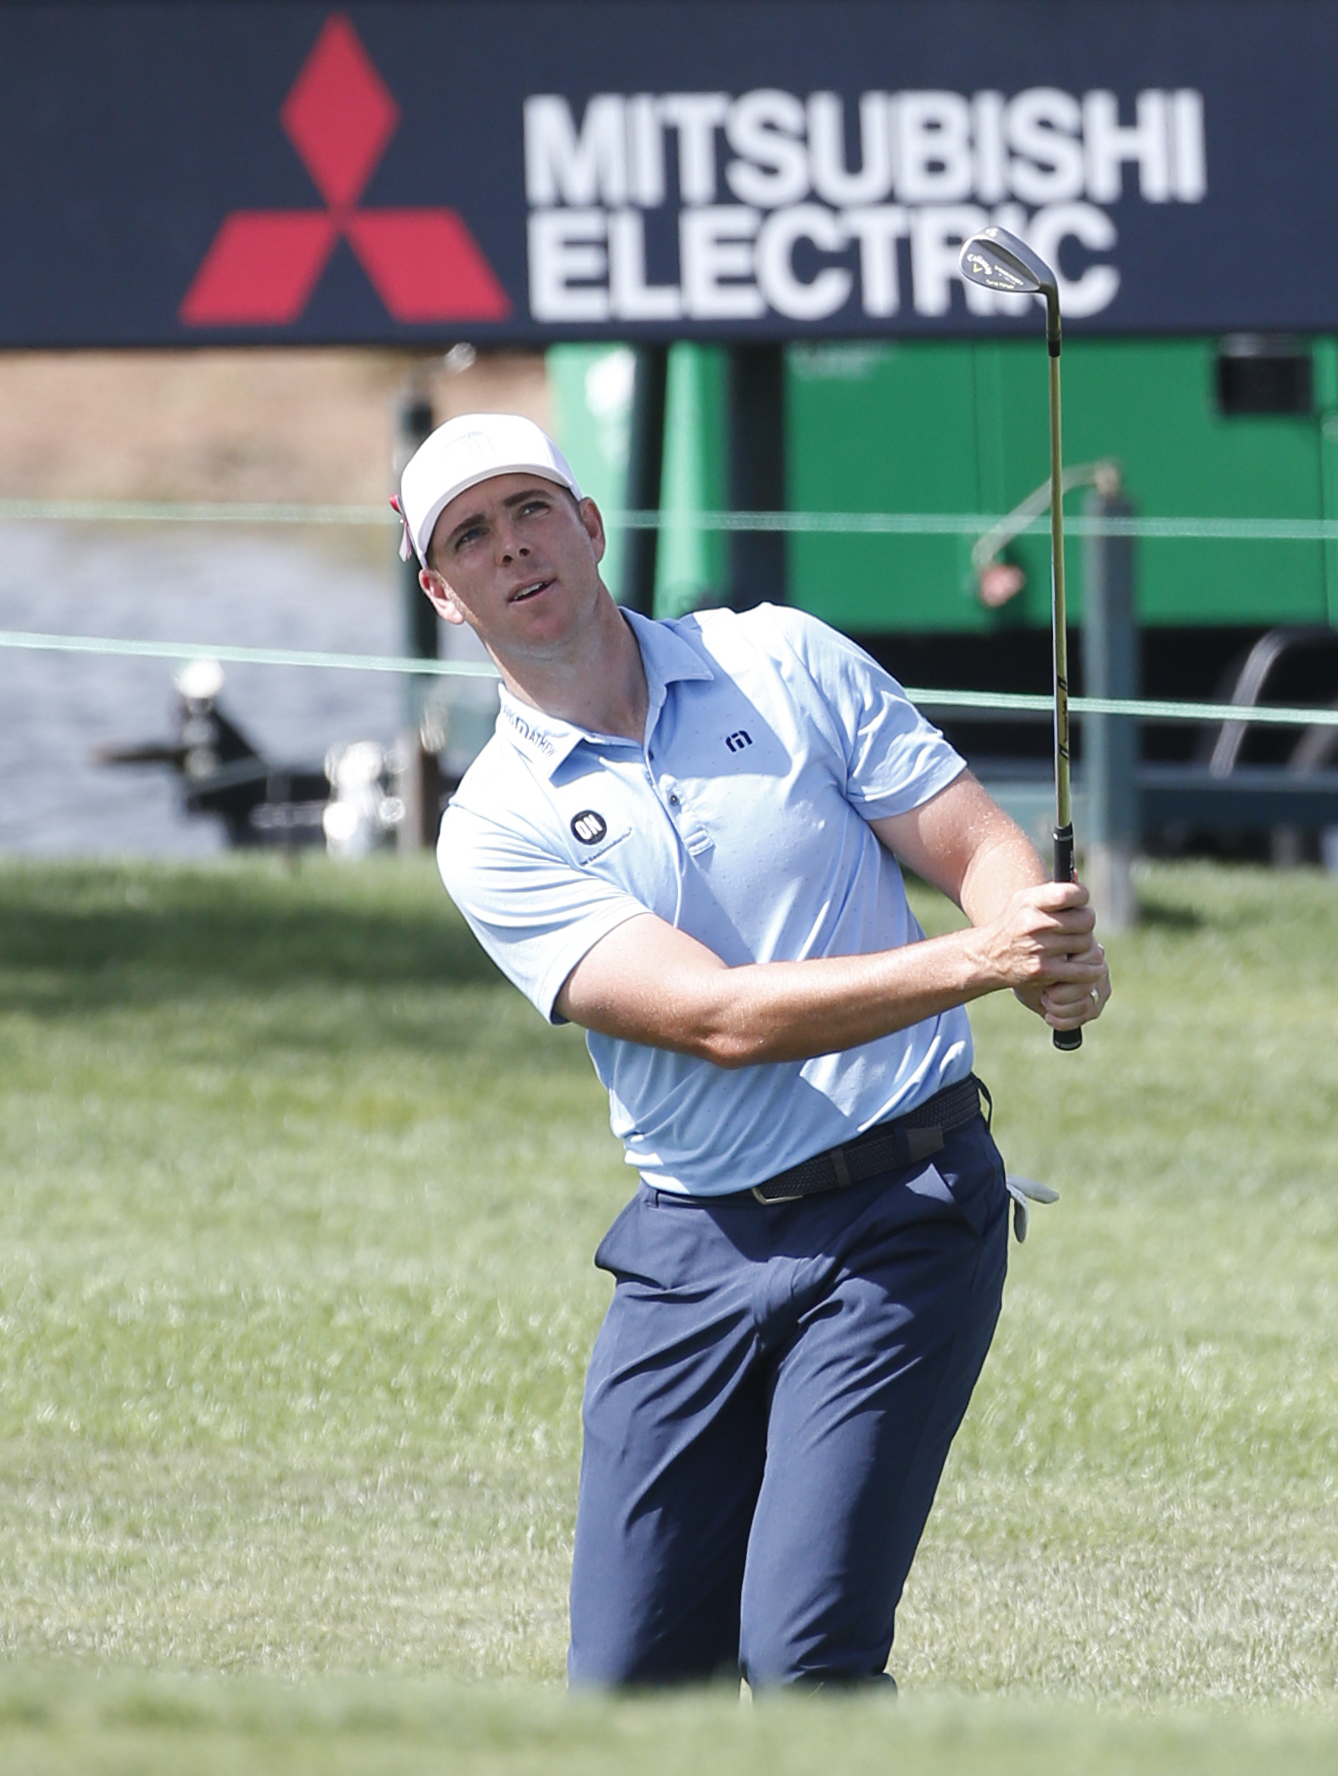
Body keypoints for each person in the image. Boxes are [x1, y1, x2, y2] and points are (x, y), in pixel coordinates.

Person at [410, 411, 1110, 1694]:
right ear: (440, 591)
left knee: (805, 1661)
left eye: (530, 511)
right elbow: (716, 1020)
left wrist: (1033, 927)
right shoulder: (492, 826)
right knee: (627, 1690)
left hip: (904, 1209)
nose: (511, 548)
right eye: (470, 534)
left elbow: (968, 844)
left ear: (591, 525)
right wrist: (980, 962)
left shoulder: (781, 660)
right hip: (691, 1251)